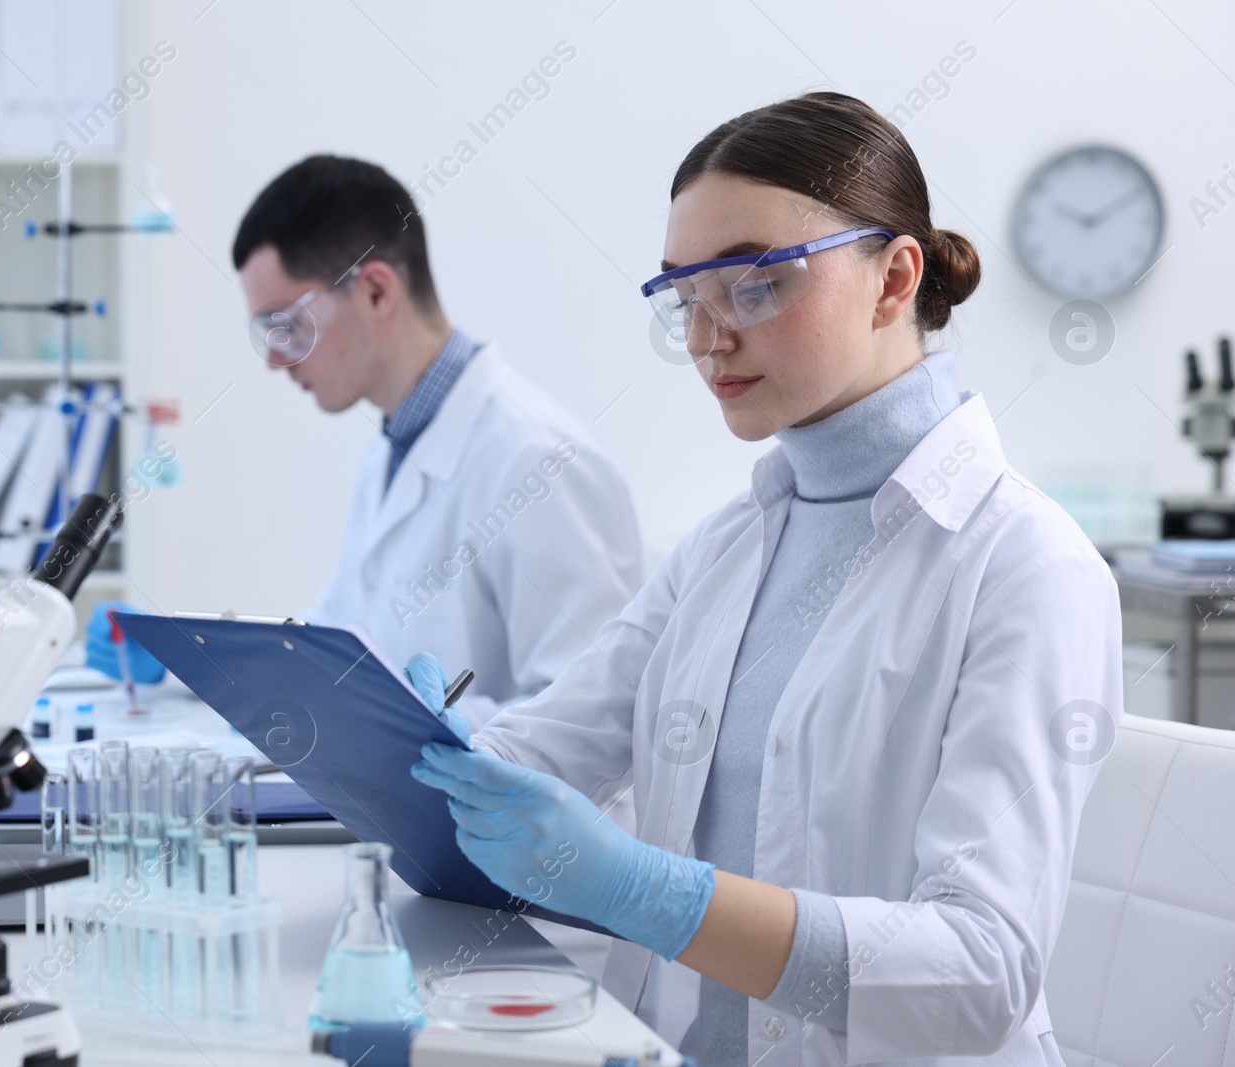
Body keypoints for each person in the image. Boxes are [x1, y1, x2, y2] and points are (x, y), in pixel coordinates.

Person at [409, 92, 1121, 1065]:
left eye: (751, 284)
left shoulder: (1025, 566)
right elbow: (549, 744)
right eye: (684, 298)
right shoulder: (726, 546)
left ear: (892, 278)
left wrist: (647, 890)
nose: (707, 337)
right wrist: (416, 743)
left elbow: (979, 971)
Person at [89, 154, 643, 732]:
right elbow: (332, 646)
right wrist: (188, 656)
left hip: (507, 824)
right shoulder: (394, 448)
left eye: (285, 325)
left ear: (376, 291)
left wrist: (418, 724)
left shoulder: (538, 462)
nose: (276, 360)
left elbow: (594, 721)